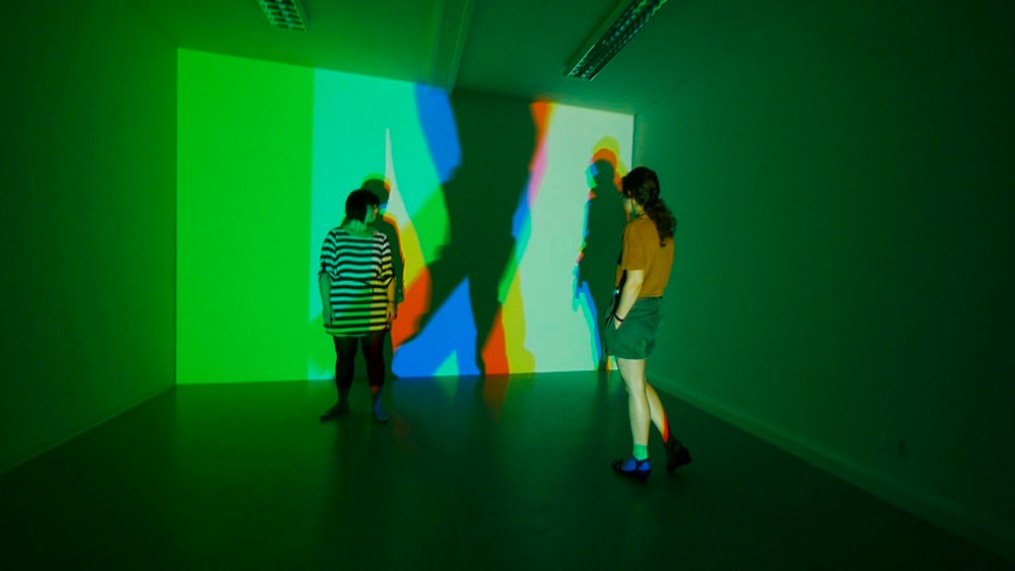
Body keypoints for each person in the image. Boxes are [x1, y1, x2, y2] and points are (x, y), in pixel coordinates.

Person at [603, 167, 692, 480]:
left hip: (634, 313)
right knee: (638, 383)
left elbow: (634, 282)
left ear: (632, 195)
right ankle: (671, 443)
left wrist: (617, 319)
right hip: (653, 311)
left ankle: (640, 460)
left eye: (623, 194)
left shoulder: (636, 229)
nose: (622, 200)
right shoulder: (663, 226)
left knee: (634, 390)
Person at [318, 189, 396, 423]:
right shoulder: (335, 236)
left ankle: (377, 405)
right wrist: (326, 306)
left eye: (378, 206)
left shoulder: (380, 238)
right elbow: (325, 274)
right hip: (343, 309)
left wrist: (390, 303)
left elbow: (388, 274)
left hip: (374, 309)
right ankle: (342, 403)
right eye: (374, 206)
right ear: (359, 207)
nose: (377, 211)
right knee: (344, 358)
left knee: (375, 359)